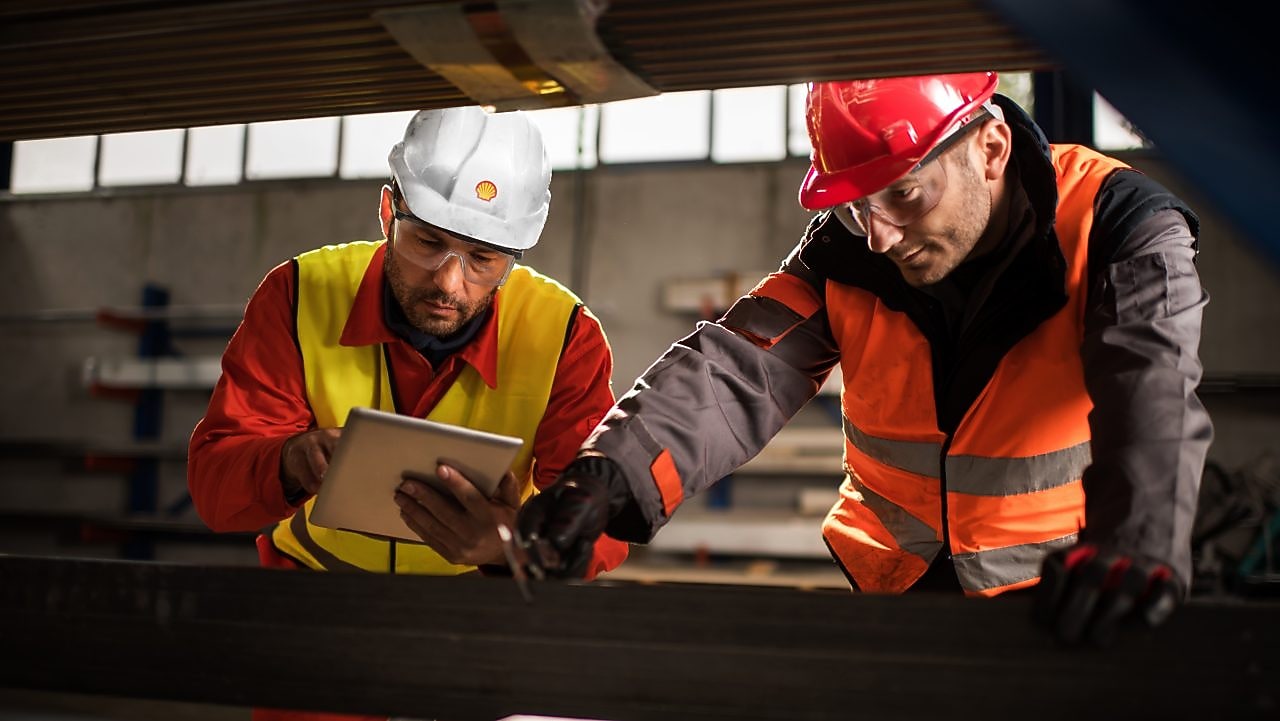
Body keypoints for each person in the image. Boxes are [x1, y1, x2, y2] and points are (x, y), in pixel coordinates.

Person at [517, 71, 1212, 645]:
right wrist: (606, 476)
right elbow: (733, 366)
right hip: (892, 599)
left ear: (992, 148)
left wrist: (1139, 542)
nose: (877, 237)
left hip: (1060, 605)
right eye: (854, 206)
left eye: (904, 194)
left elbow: (1152, 388)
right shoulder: (846, 247)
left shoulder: (1121, 224)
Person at [188, 106, 629, 718]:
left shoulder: (564, 334)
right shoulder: (297, 294)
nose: (450, 283)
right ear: (388, 210)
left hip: (480, 625)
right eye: (429, 242)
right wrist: (289, 461)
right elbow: (217, 488)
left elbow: (600, 519)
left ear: (517, 253)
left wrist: (512, 548)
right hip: (316, 620)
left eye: (484, 259)